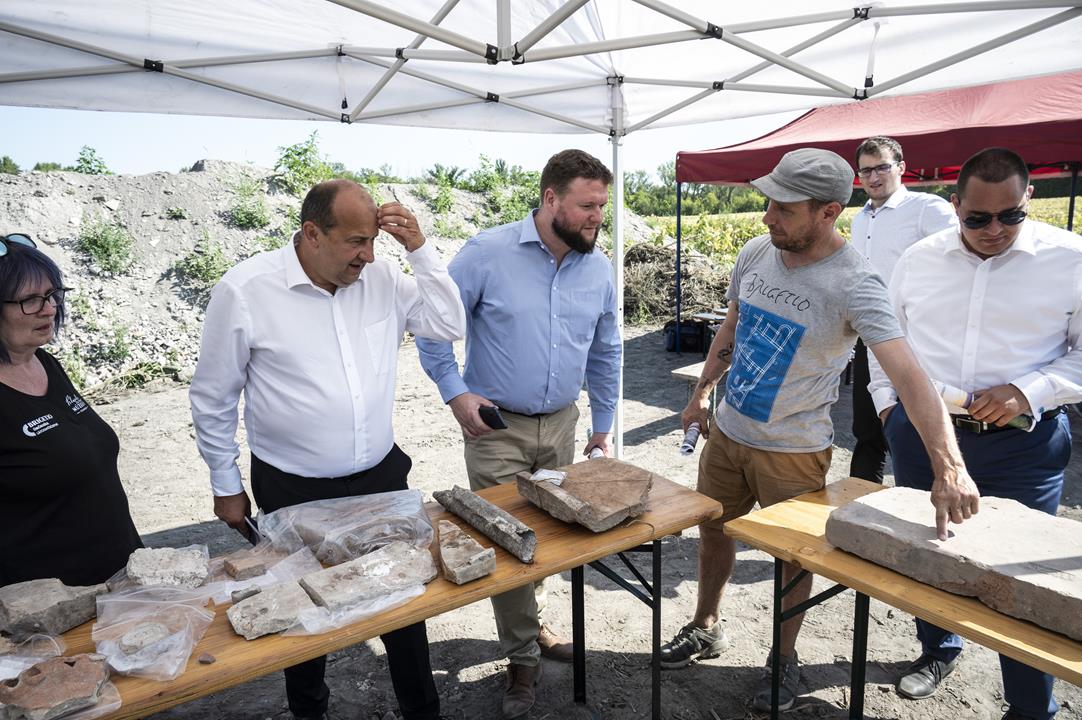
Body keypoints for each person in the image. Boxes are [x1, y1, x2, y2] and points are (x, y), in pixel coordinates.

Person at [658, 149, 979, 712]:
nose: (766, 218)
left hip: (794, 453)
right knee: (715, 530)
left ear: (829, 211)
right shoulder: (760, 250)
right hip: (728, 436)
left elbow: (909, 374)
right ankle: (706, 625)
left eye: (783, 208)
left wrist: (948, 465)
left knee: (793, 558)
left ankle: (783, 660)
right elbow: (733, 326)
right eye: (767, 203)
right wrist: (700, 394)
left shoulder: (857, 283)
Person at [189, 180, 465, 720]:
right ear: (312, 234)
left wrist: (420, 250)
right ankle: (310, 712)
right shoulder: (246, 290)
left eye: (374, 242)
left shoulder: (384, 276)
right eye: (356, 241)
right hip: (293, 486)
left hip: (380, 478)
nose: (367, 255)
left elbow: (449, 323)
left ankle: (422, 712)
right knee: (302, 615)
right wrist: (226, 483)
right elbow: (214, 395)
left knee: (403, 606)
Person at [869, 147, 1081, 720]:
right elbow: (886, 340)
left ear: (1029, 198)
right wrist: (889, 410)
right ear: (954, 205)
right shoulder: (917, 259)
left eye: (1010, 216)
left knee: (1022, 577)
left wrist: (1028, 390)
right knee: (930, 551)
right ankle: (938, 651)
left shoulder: (1071, 258)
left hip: (1024, 446)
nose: (995, 231)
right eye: (978, 218)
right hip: (923, 438)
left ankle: (1031, 706)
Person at [416, 149, 621, 720]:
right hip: (496, 428)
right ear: (550, 199)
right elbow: (434, 329)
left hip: (562, 425)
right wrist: (455, 392)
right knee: (509, 544)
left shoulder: (598, 268)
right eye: (586, 205)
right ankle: (521, 661)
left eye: (602, 206)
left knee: (553, 537)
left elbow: (606, 350)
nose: (595, 218)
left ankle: (535, 625)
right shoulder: (486, 254)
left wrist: (603, 424)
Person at [0, 233, 142, 587]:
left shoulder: (44, 364)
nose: (49, 308)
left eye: (51, 295)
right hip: (50, 606)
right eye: (29, 300)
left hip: (118, 576)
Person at [849, 136, 958, 483]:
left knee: (921, 430)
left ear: (901, 167)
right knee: (867, 431)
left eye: (881, 167)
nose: (873, 176)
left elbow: (959, 263)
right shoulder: (860, 219)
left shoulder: (928, 209)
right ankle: (860, 508)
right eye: (865, 170)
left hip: (917, 341)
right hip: (872, 337)